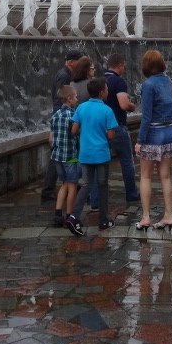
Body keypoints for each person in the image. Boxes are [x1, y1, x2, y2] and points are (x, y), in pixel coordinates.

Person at [66, 77, 118, 233]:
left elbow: (74, 130)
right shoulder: (107, 110)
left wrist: (86, 134)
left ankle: (73, 216)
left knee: (86, 185)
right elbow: (110, 135)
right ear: (102, 93)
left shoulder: (81, 108)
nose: (108, 91)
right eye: (107, 89)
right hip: (101, 154)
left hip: (85, 153)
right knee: (102, 185)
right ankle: (103, 221)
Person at [135, 49, 172, 231]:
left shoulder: (148, 85)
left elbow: (146, 117)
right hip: (169, 132)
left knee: (145, 175)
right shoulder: (170, 81)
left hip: (153, 133)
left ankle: (145, 217)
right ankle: (169, 215)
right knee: (165, 176)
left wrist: (139, 140)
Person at [89, 53, 139, 208]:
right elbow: (123, 104)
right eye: (123, 66)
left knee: (101, 163)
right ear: (120, 65)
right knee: (127, 161)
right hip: (117, 126)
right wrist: (133, 106)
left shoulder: (100, 80)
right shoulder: (119, 81)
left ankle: (95, 200)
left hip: (101, 128)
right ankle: (131, 194)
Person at [41, 48, 83, 201]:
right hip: (62, 117)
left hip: (62, 116)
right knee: (57, 155)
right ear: (72, 62)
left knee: (61, 154)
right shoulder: (64, 75)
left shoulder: (66, 74)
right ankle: (48, 190)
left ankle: (70, 183)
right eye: (79, 62)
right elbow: (59, 97)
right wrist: (64, 117)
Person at [48, 85, 81, 231]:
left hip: (57, 156)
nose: (77, 99)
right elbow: (75, 132)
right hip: (70, 157)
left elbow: (51, 137)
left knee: (63, 184)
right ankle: (69, 216)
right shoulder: (72, 115)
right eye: (75, 97)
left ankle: (57, 214)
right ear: (69, 98)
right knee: (72, 186)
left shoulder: (55, 115)